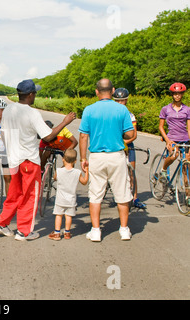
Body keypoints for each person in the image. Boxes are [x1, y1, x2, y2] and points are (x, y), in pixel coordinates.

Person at [0, 79, 76, 241]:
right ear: (30, 95)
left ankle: (2, 223)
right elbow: (48, 135)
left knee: (14, 194)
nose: (35, 95)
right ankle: (24, 231)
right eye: (35, 93)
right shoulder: (32, 113)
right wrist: (64, 122)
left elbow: (3, 132)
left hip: (13, 160)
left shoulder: (9, 109)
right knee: (30, 195)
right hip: (29, 160)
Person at [79, 79, 135, 242]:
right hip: (116, 155)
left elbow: (83, 135)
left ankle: (96, 230)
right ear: (113, 91)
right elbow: (130, 134)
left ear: (97, 91)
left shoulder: (89, 110)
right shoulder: (121, 109)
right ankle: (124, 229)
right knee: (122, 193)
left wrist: (83, 158)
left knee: (95, 194)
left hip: (97, 156)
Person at [113, 87, 146, 209]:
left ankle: (135, 197)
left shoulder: (130, 115)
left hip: (127, 145)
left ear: (126, 100)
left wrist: (125, 142)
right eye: (117, 101)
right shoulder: (112, 114)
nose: (120, 103)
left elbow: (134, 135)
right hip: (115, 145)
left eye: (122, 101)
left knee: (132, 172)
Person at [48, 148, 88, 241]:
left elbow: (55, 178)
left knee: (59, 215)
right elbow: (84, 182)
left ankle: (57, 233)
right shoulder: (77, 172)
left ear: (63, 159)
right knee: (68, 216)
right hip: (71, 200)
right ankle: (67, 232)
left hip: (60, 199)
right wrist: (87, 171)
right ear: (75, 160)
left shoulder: (59, 171)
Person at [158, 83, 189, 182]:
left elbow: (189, 127)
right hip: (172, 139)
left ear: (182, 94)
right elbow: (161, 127)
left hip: (185, 139)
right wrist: (167, 140)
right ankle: (163, 169)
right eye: (175, 93)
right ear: (172, 94)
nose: (177, 96)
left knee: (187, 166)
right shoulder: (165, 109)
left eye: (179, 93)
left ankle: (187, 194)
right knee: (174, 155)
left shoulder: (187, 109)